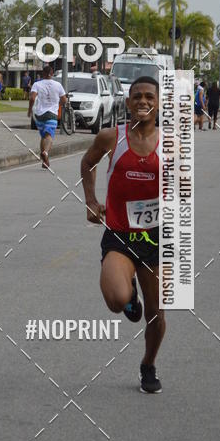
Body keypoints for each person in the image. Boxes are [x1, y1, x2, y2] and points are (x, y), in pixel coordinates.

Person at [80, 75, 165, 394]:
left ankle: (148, 363)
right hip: (119, 234)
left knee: (156, 315)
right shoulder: (110, 137)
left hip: (157, 238)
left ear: (158, 103)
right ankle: (129, 293)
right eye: (137, 97)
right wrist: (91, 200)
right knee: (116, 300)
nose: (143, 101)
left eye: (149, 96)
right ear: (128, 103)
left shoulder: (172, 144)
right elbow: (87, 163)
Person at [27, 64, 68, 169]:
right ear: (52, 74)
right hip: (52, 113)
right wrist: (58, 104)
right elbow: (64, 100)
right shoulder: (58, 85)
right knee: (49, 135)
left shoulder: (37, 84)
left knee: (43, 136)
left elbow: (32, 98)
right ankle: (45, 152)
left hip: (39, 114)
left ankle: (45, 162)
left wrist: (29, 110)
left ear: (43, 74)